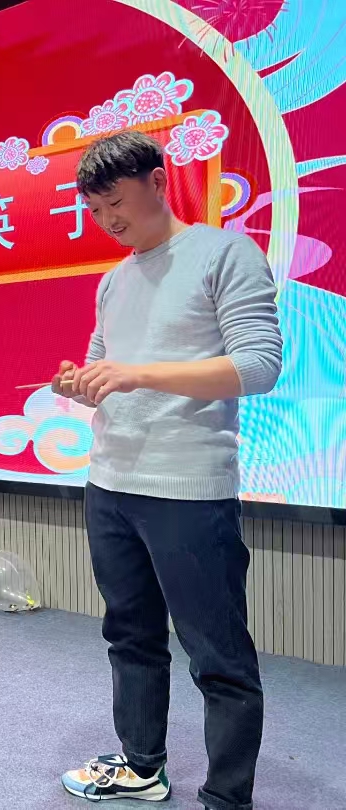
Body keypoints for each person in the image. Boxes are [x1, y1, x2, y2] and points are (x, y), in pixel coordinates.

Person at [54, 131, 282, 809]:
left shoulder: (223, 253)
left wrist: (138, 374)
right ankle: (141, 767)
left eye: (116, 203)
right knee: (129, 636)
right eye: (96, 210)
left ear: (159, 182)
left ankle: (227, 797)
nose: (107, 220)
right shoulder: (113, 280)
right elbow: (105, 366)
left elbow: (259, 367)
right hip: (110, 483)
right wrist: (80, 383)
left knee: (218, 654)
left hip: (188, 488)